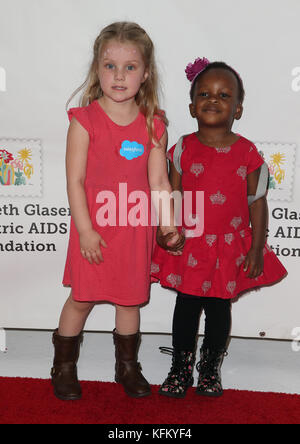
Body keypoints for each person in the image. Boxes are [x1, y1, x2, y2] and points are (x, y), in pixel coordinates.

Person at [51, 21, 183, 401]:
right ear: (97, 70)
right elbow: (75, 182)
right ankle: (63, 367)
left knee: (129, 301)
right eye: (110, 66)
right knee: (81, 299)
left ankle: (127, 368)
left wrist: (169, 226)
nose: (119, 75)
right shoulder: (84, 121)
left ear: (145, 73)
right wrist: (87, 231)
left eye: (130, 67)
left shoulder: (154, 124)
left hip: (134, 232)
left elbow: (159, 184)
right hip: (92, 228)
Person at [151, 57, 287, 398]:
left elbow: (257, 200)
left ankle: (209, 369)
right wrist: (164, 227)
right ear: (193, 106)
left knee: (218, 308)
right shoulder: (181, 147)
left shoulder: (247, 152)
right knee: (186, 305)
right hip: (191, 244)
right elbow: (172, 191)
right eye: (205, 94)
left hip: (229, 247)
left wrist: (256, 248)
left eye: (224, 95)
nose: (213, 100)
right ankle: (180, 367)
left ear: (238, 109)